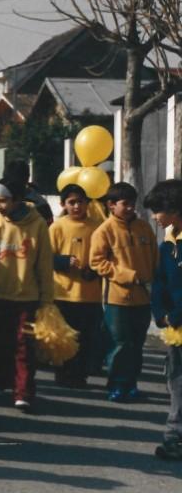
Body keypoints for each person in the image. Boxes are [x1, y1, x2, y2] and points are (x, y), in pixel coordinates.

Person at [0, 179, 53, 413]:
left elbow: (44, 263)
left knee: (24, 346)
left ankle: (23, 390)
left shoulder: (38, 224)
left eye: (3, 201)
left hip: (27, 296)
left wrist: (46, 299)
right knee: (0, 342)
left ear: (16, 200)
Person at [90, 182, 157, 402]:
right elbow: (97, 262)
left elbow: (154, 258)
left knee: (137, 343)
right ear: (111, 205)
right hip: (117, 299)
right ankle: (116, 385)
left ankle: (132, 385)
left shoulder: (144, 228)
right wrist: (127, 276)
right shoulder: (104, 231)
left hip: (143, 298)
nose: (130, 208)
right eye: (125, 204)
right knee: (119, 343)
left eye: (132, 204)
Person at [49, 183, 103, 388]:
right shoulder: (57, 226)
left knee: (86, 338)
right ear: (63, 204)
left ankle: (80, 375)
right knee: (65, 338)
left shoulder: (97, 226)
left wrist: (95, 270)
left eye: (81, 202)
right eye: (72, 202)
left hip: (90, 294)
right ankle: (63, 374)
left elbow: (105, 254)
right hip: (63, 293)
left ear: (87, 203)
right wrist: (63, 262)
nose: (77, 206)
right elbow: (46, 257)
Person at [145, 179, 182, 461]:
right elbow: (159, 284)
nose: (155, 217)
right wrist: (160, 313)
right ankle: (174, 437)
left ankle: (175, 437)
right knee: (175, 381)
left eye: (158, 210)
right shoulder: (166, 245)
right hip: (174, 329)